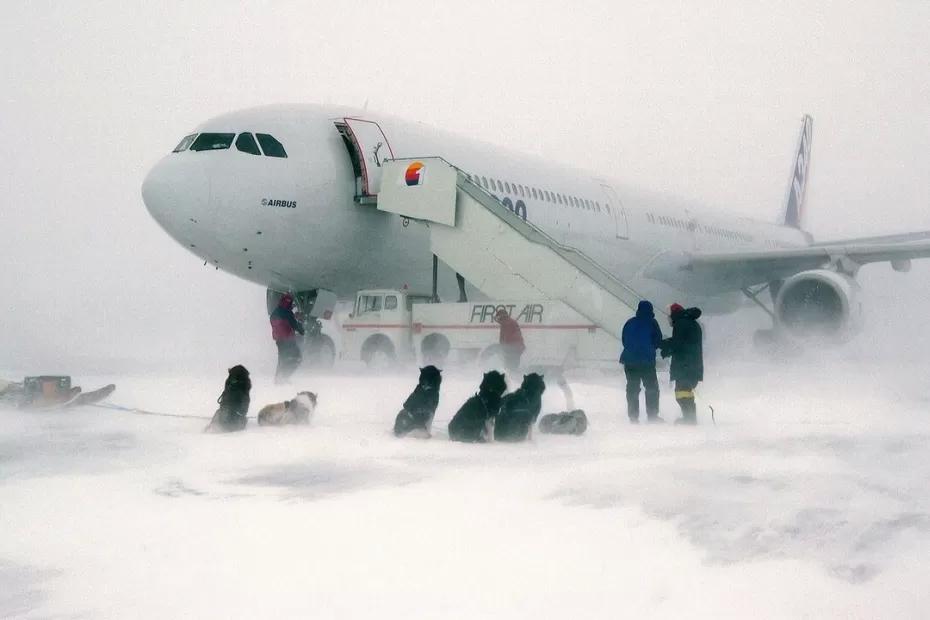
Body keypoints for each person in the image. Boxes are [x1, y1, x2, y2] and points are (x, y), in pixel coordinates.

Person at [619, 300, 664, 423]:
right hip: (646, 362)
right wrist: (649, 349)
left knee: (632, 388)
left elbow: (624, 340)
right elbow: (658, 340)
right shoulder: (652, 323)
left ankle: (633, 417)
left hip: (630, 361)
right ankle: (652, 416)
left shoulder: (629, 322)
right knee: (651, 388)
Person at [660, 303, 704, 425]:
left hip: (685, 366)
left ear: (673, 314)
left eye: (668, 316)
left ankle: (689, 420)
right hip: (692, 365)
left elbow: (678, 344)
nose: (668, 319)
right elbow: (684, 342)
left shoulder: (681, 324)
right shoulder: (691, 322)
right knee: (686, 393)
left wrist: (666, 347)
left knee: (681, 393)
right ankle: (690, 418)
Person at [270, 293, 305, 383]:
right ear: (289, 303)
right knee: (297, 358)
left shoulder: (275, 312)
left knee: (282, 359)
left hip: (279, 341)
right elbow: (298, 328)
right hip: (289, 341)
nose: (292, 306)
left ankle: (278, 379)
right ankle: (284, 377)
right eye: (291, 304)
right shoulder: (288, 313)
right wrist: (300, 321)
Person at [495, 308, 525, 374]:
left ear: (502, 316)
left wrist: (503, 347)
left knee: (510, 366)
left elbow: (505, 338)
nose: (498, 320)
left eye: (498, 317)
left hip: (514, 348)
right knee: (511, 365)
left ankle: (513, 379)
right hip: (516, 347)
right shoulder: (507, 322)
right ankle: (513, 377)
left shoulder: (507, 324)